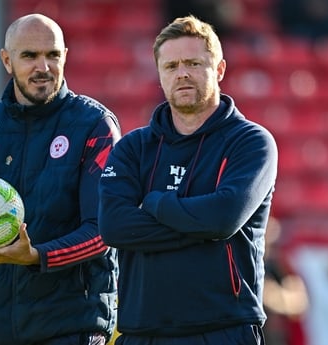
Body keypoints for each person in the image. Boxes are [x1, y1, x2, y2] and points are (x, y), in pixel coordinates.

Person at [98, 15, 278, 345]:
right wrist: (199, 224)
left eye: (194, 63)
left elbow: (223, 218)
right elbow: (113, 226)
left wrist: (153, 203)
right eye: (171, 66)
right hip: (142, 332)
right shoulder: (133, 148)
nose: (182, 73)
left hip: (224, 328)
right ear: (160, 75)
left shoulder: (251, 141)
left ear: (219, 69)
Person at [0, 13, 121, 345]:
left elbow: (104, 230)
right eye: (29, 56)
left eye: (53, 55)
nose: (43, 66)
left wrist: (38, 256)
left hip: (72, 327)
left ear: (65, 56)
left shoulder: (95, 126)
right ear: (7, 61)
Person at [262, 217, 308, 345]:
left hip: (276, 338)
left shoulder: (277, 265)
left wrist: (272, 296)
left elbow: (300, 304)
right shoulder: (244, 266)